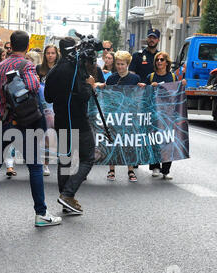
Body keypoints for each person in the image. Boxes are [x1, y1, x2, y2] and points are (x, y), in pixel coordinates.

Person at [0, 30, 61, 227]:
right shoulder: (27, 65)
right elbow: (33, 88)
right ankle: (41, 213)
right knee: (35, 167)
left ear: (11, 44)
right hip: (24, 122)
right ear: (26, 47)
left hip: (1, 120)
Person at [44, 37, 95, 214]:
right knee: (88, 158)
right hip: (78, 120)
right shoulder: (76, 68)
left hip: (62, 120)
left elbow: (48, 97)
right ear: (75, 49)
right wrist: (90, 86)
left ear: (59, 51)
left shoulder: (55, 70)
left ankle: (65, 198)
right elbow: (84, 95)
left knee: (64, 158)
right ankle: (67, 194)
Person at [104, 50, 146, 182]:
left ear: (127, 64)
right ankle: (111, 170)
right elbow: (107, 96)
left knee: (129, 142)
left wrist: (142, 88)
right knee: (113, 142)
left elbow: (138, 97)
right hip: (115, 114)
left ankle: (131, 170)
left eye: (122, 64)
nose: (120, 66)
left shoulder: (135, 79)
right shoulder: (111, 78)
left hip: (129, 114)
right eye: (118, 64)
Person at [145, 51, 186, 180]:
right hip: (154, 112)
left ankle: (166, 170)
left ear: (167, 62)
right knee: (154, 140)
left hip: (169, 114)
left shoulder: (173, 77)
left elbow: (177, 92)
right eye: (157, 60)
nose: (159, 62)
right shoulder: (150, 77)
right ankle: (155, 166)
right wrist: (150, 87)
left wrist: (182, 84)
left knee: (168, 140)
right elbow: (144, 93)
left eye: (162, 60)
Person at [36, 44, 60, 176]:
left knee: (59, 136)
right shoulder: (39, 68)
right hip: (42, 107)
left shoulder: (59, 69)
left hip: (56, 108)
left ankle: (64, 162)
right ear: (44, 55)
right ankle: (44, 164)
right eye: (48, 53)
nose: (50, 55)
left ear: (57, 55)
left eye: (53, 53)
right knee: (44, 137)